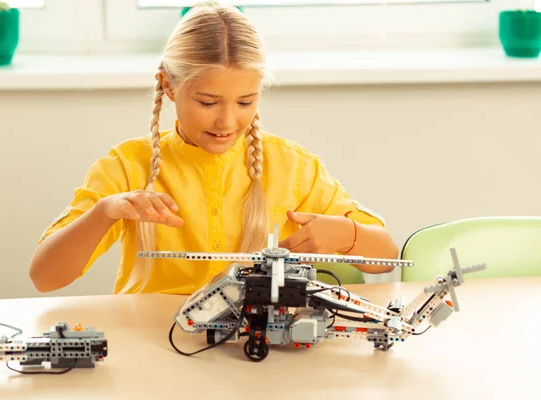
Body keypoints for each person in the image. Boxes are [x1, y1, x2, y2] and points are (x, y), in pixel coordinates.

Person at [29, 3, 398, 296]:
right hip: (154, 343)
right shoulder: (126, 166)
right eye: (208, 103)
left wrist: (347, 235)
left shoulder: (293, 166)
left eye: (244, 102)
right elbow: (45, 278)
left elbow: (387, 260)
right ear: (169, 86)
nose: (226, 122)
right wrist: (103, 212)